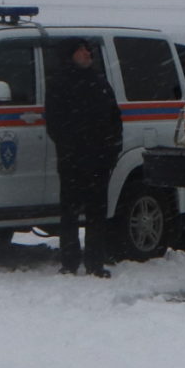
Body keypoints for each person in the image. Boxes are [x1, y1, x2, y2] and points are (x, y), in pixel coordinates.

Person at [44, 37, 124, 277]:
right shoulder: (59, 84)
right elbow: (54, 124)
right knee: (69, 212)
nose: (87, 53)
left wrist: (111, 148)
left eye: (88, 50)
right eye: (81, 50)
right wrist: (73, 148)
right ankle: (69, 262)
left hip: (99, 161)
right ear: (70, 55)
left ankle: (95, 263)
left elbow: (114, 119)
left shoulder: (99, 82)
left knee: (96, 213)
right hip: (72, 160)